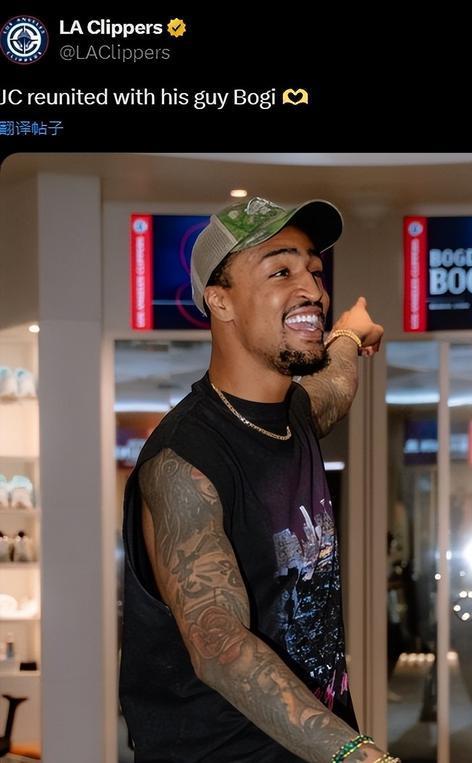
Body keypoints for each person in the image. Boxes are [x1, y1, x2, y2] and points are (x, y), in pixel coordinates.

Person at [119, 195, 400, 763]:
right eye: (280, 271)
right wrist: (358, 755)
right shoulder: (183, 461)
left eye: (314, 271)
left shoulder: (293, 415)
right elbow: (219, 645)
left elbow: (336, 386)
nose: (312, 289)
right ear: (220, 300)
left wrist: (349, 334)